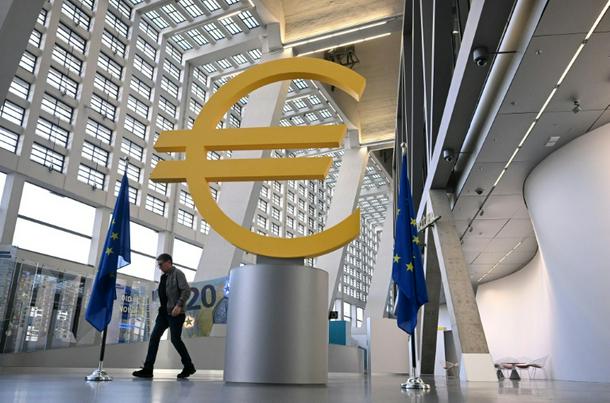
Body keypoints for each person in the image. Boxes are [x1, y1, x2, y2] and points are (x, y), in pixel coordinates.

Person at [133, 253, 196, 379]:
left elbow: (186, 290)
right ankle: (148, 369)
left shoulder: (178, 273)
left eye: (161, 264)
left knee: (175, 340)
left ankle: (189, 366)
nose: (160, 267)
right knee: (154, 338)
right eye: (158, 265)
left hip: (176, 313)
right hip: (163, 314)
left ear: (168, 262)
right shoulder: (163, 277)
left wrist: (179, 305)